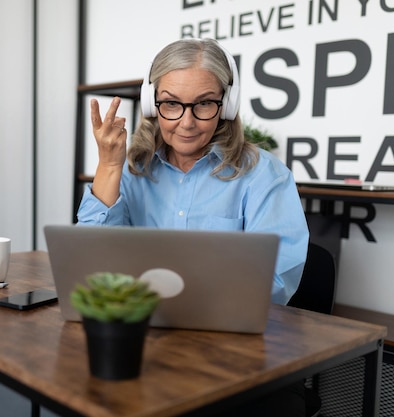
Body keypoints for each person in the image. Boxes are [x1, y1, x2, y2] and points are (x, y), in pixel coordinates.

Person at [76, 38, 309, 416]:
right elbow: (90, 262)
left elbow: (277, 278)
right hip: (147, 344)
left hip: (234, 354)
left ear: (226, 105)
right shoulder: (133, 170)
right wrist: (108, 166)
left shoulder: (263, 175)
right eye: (171, 104)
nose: (186, 122)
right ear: (154, 104)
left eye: (204, 104)